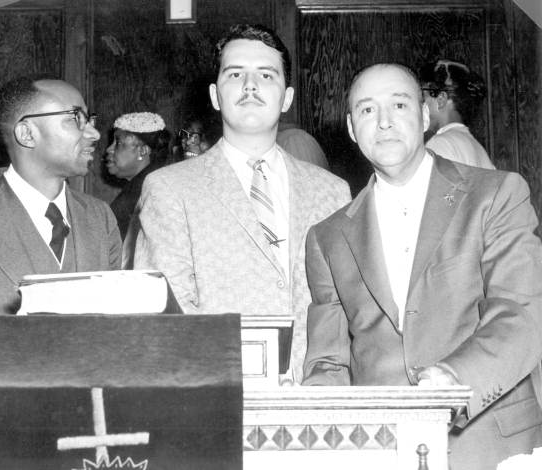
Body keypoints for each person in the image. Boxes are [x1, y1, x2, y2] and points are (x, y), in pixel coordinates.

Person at [301, 63, 542, 470]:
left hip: (491, 449)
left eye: (399, 104)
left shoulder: (497, 194)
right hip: (380, 453)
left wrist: (453, 378)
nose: (384, 122)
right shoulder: (326, 238)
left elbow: (519, 314)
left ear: (426, 115)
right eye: (366, 110)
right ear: (349, 127)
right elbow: (329, 363)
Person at [133, 24, 350, 382]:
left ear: (288, 97)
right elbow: (168, 315)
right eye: (235, 74)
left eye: (266, 75)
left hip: (316, 398)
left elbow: (343, 310)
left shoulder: (332, 192)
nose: (250, 85)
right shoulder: (169, 189)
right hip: (218, 397)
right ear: (216, 96)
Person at [0, 76, 122, 367]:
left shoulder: (99, 218)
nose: (95, 134)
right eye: (76, 118)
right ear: (27, 133)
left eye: (90, 119)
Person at [105, 112, 170, 240]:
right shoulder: (143, 186)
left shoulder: (151, 193)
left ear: (142, 151)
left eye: (118, 143)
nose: (109, 149)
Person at [420, 59, 494, 169]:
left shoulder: (440, 145)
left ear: (441, 100)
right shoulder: (478, 149)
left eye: (423, 98)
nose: (419, 106)